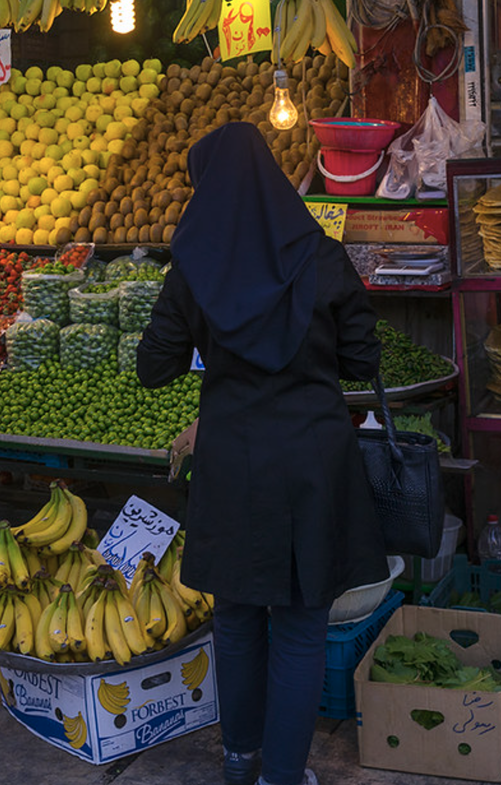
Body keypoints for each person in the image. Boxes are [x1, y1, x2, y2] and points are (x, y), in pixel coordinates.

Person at [136, 122, 389, 785]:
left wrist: (209, 340)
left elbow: (152, 366)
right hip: (311, 458)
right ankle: (283, 773)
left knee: (239, 615)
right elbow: (363, 358)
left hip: (233, 458)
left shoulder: (194, 267)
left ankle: (239, 757)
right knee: (303, 621)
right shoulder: (323, 256)